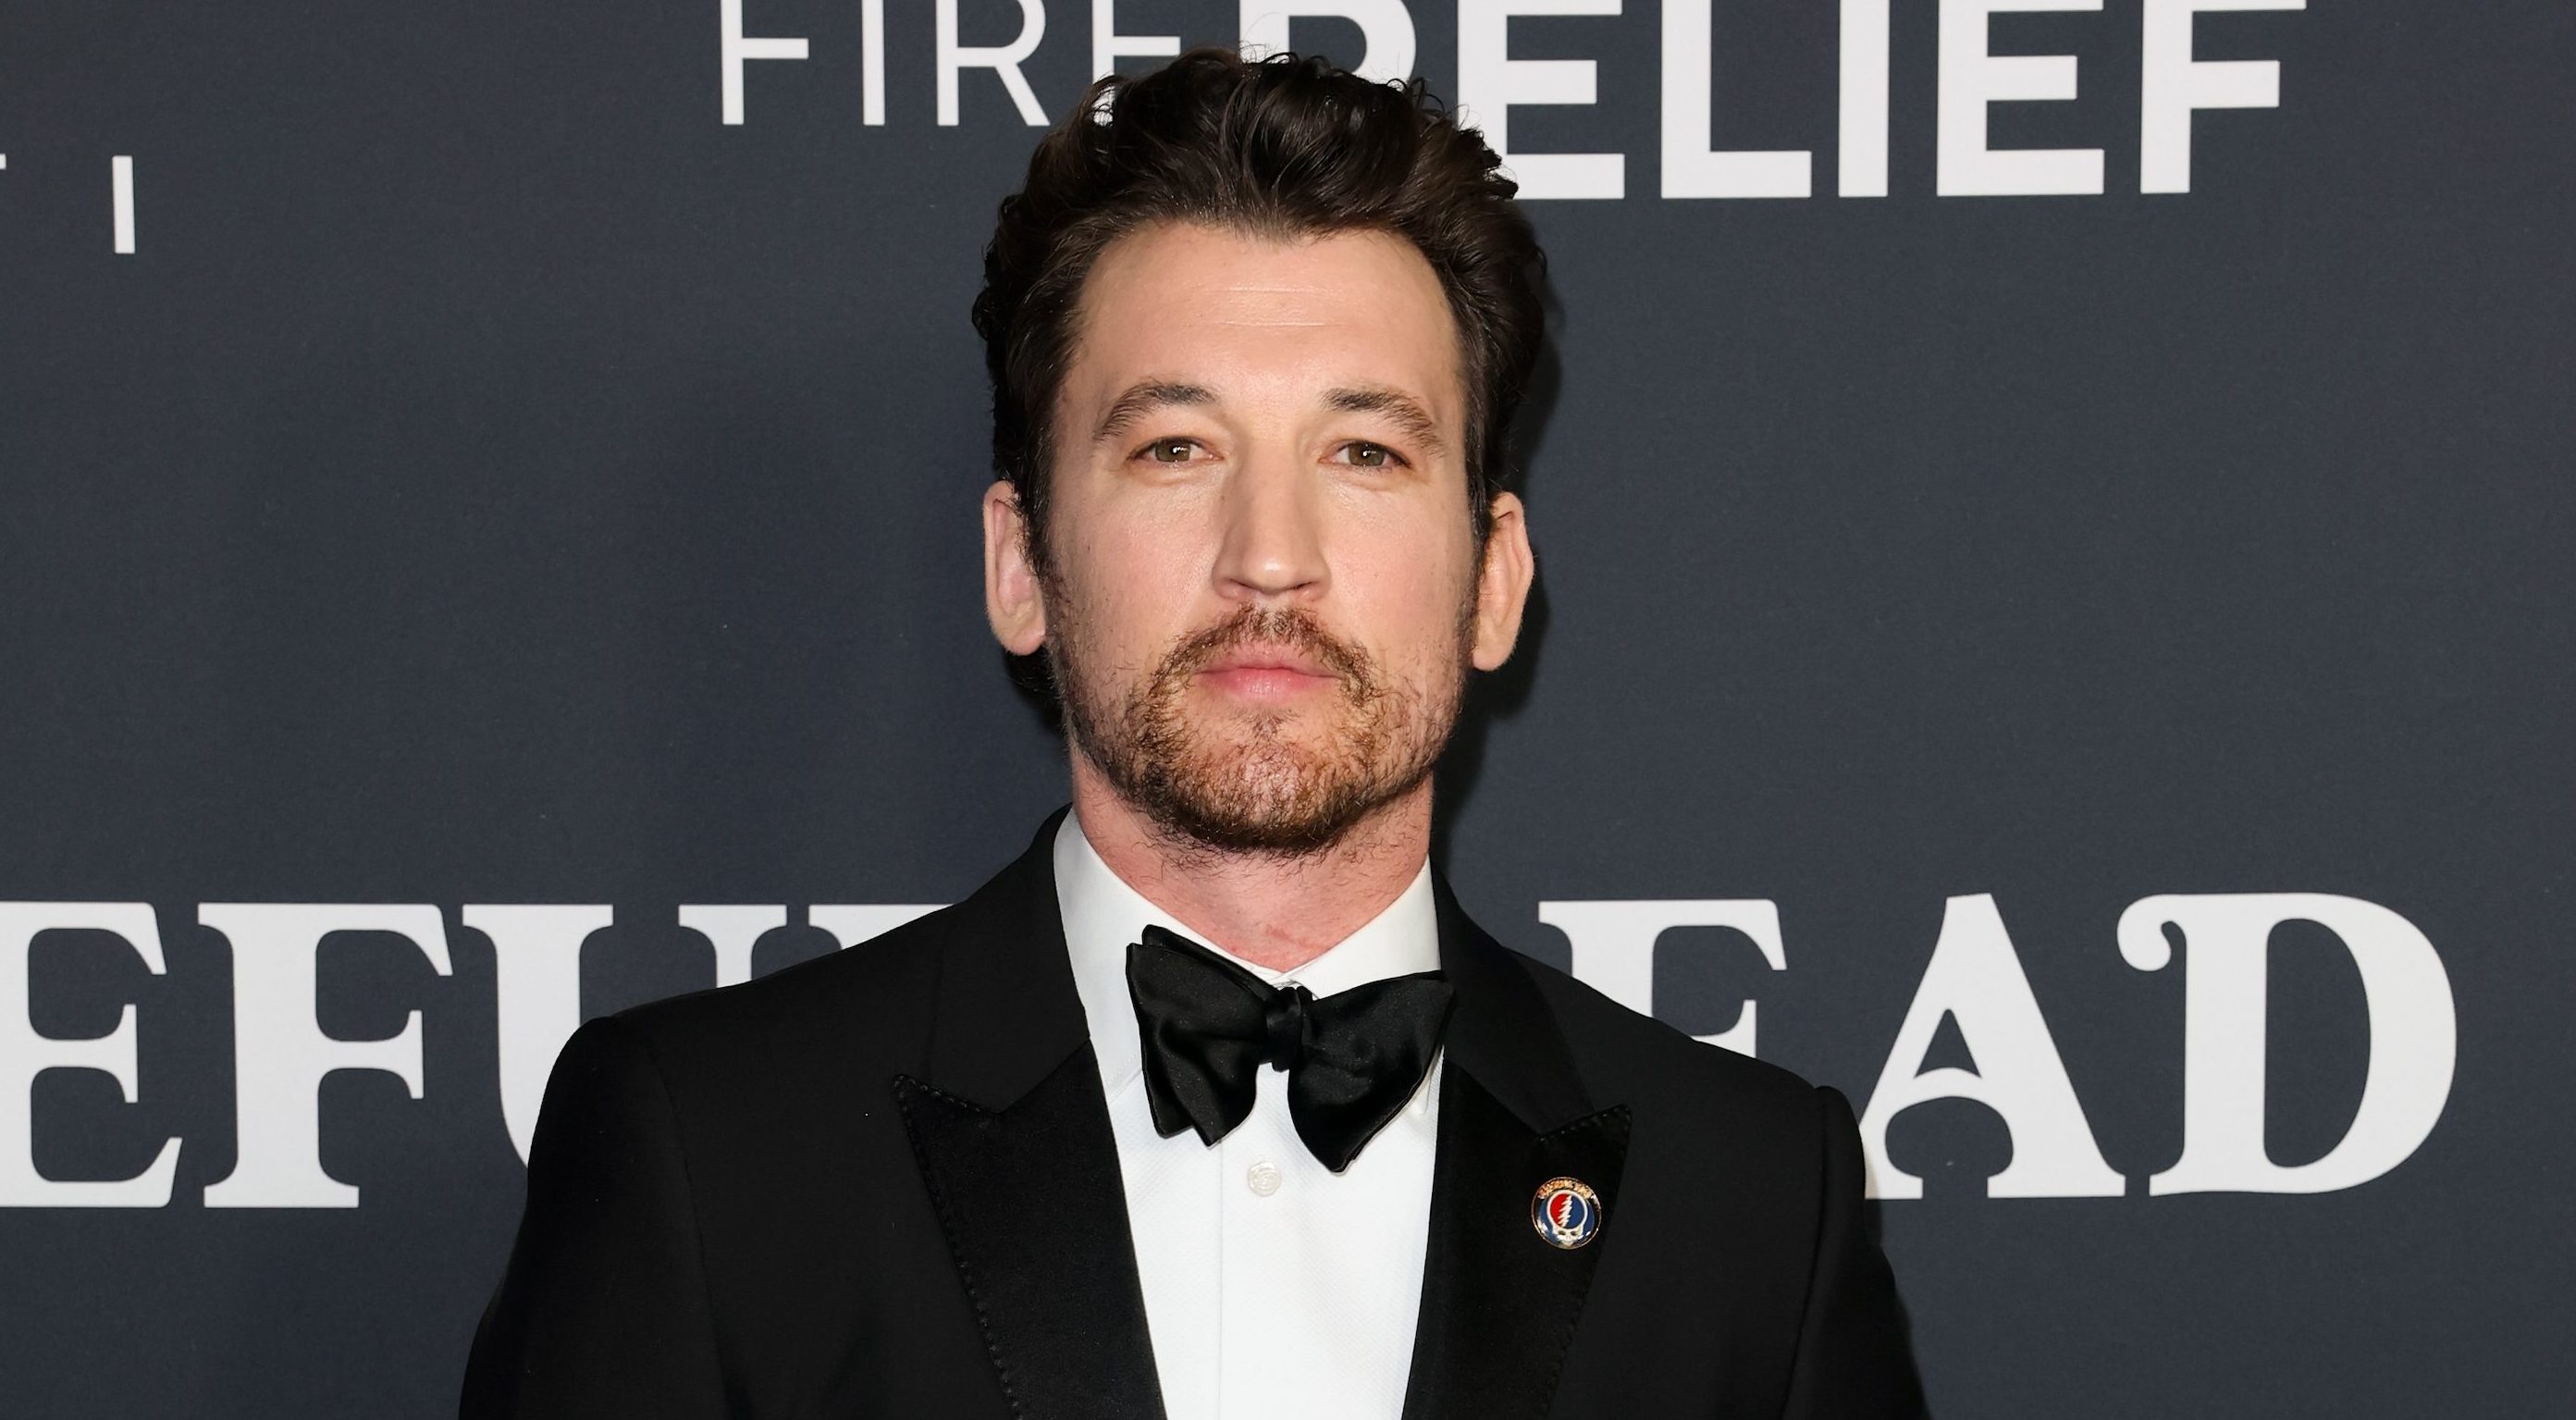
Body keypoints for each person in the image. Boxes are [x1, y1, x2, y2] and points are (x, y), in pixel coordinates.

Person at [460, 47, 1923, 1420]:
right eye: (1175, 448)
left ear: (1493, 581)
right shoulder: (711, 1153)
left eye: (1363, 451)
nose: (1268, 555)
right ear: (1020, 566)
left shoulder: (1747, 1202)